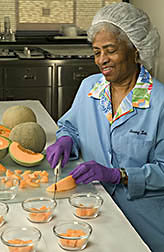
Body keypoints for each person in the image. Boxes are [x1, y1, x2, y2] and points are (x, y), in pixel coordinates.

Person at [46, 2, 164, 251]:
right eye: (97, 52)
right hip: (91, 208)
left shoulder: (160, 103)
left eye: (110, 50)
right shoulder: (90, 87)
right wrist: (65, 139)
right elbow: (71, 126)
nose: (102, 60)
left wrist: (119, 175)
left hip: (144, 220)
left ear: (135, 50)